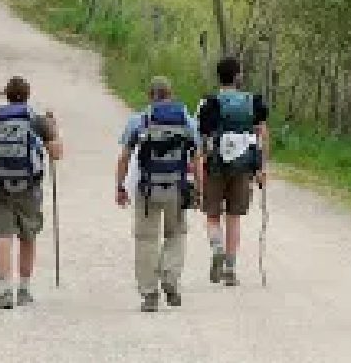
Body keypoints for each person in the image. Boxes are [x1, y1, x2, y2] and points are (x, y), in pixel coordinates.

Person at [114, 75, 201, 312]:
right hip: (177, 188)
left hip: (147, 189)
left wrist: (120, 187)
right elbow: (196, 157)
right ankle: (170, 278)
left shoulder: (139, 120)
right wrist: (199, 189)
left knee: (146, 239)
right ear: (170, 94)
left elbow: (124, 157)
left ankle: (150, 294)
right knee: (177, 234)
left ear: (149, 96)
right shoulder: (186, 120)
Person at [0, 76, 63, 310]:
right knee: (28, 235)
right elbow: (57, 153)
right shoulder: (37, 121)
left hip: (1, 185)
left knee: (3, 236)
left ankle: (6, 290)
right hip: (30, 187)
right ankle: (24, 289)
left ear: (6, 95)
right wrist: (54, 129)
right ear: (27, 96)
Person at [196, 57, 269, 287]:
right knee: (234, 217)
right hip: (244, 165)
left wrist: (197, 167)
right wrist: (261, 168)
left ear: (219, 76)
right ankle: (230, 269)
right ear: (238, 76)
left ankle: (216, 248)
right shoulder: (253, 102)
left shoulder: (208, 102)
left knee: (212, 214)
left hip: (215, 163)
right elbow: (262, 135)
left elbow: (200, 139)